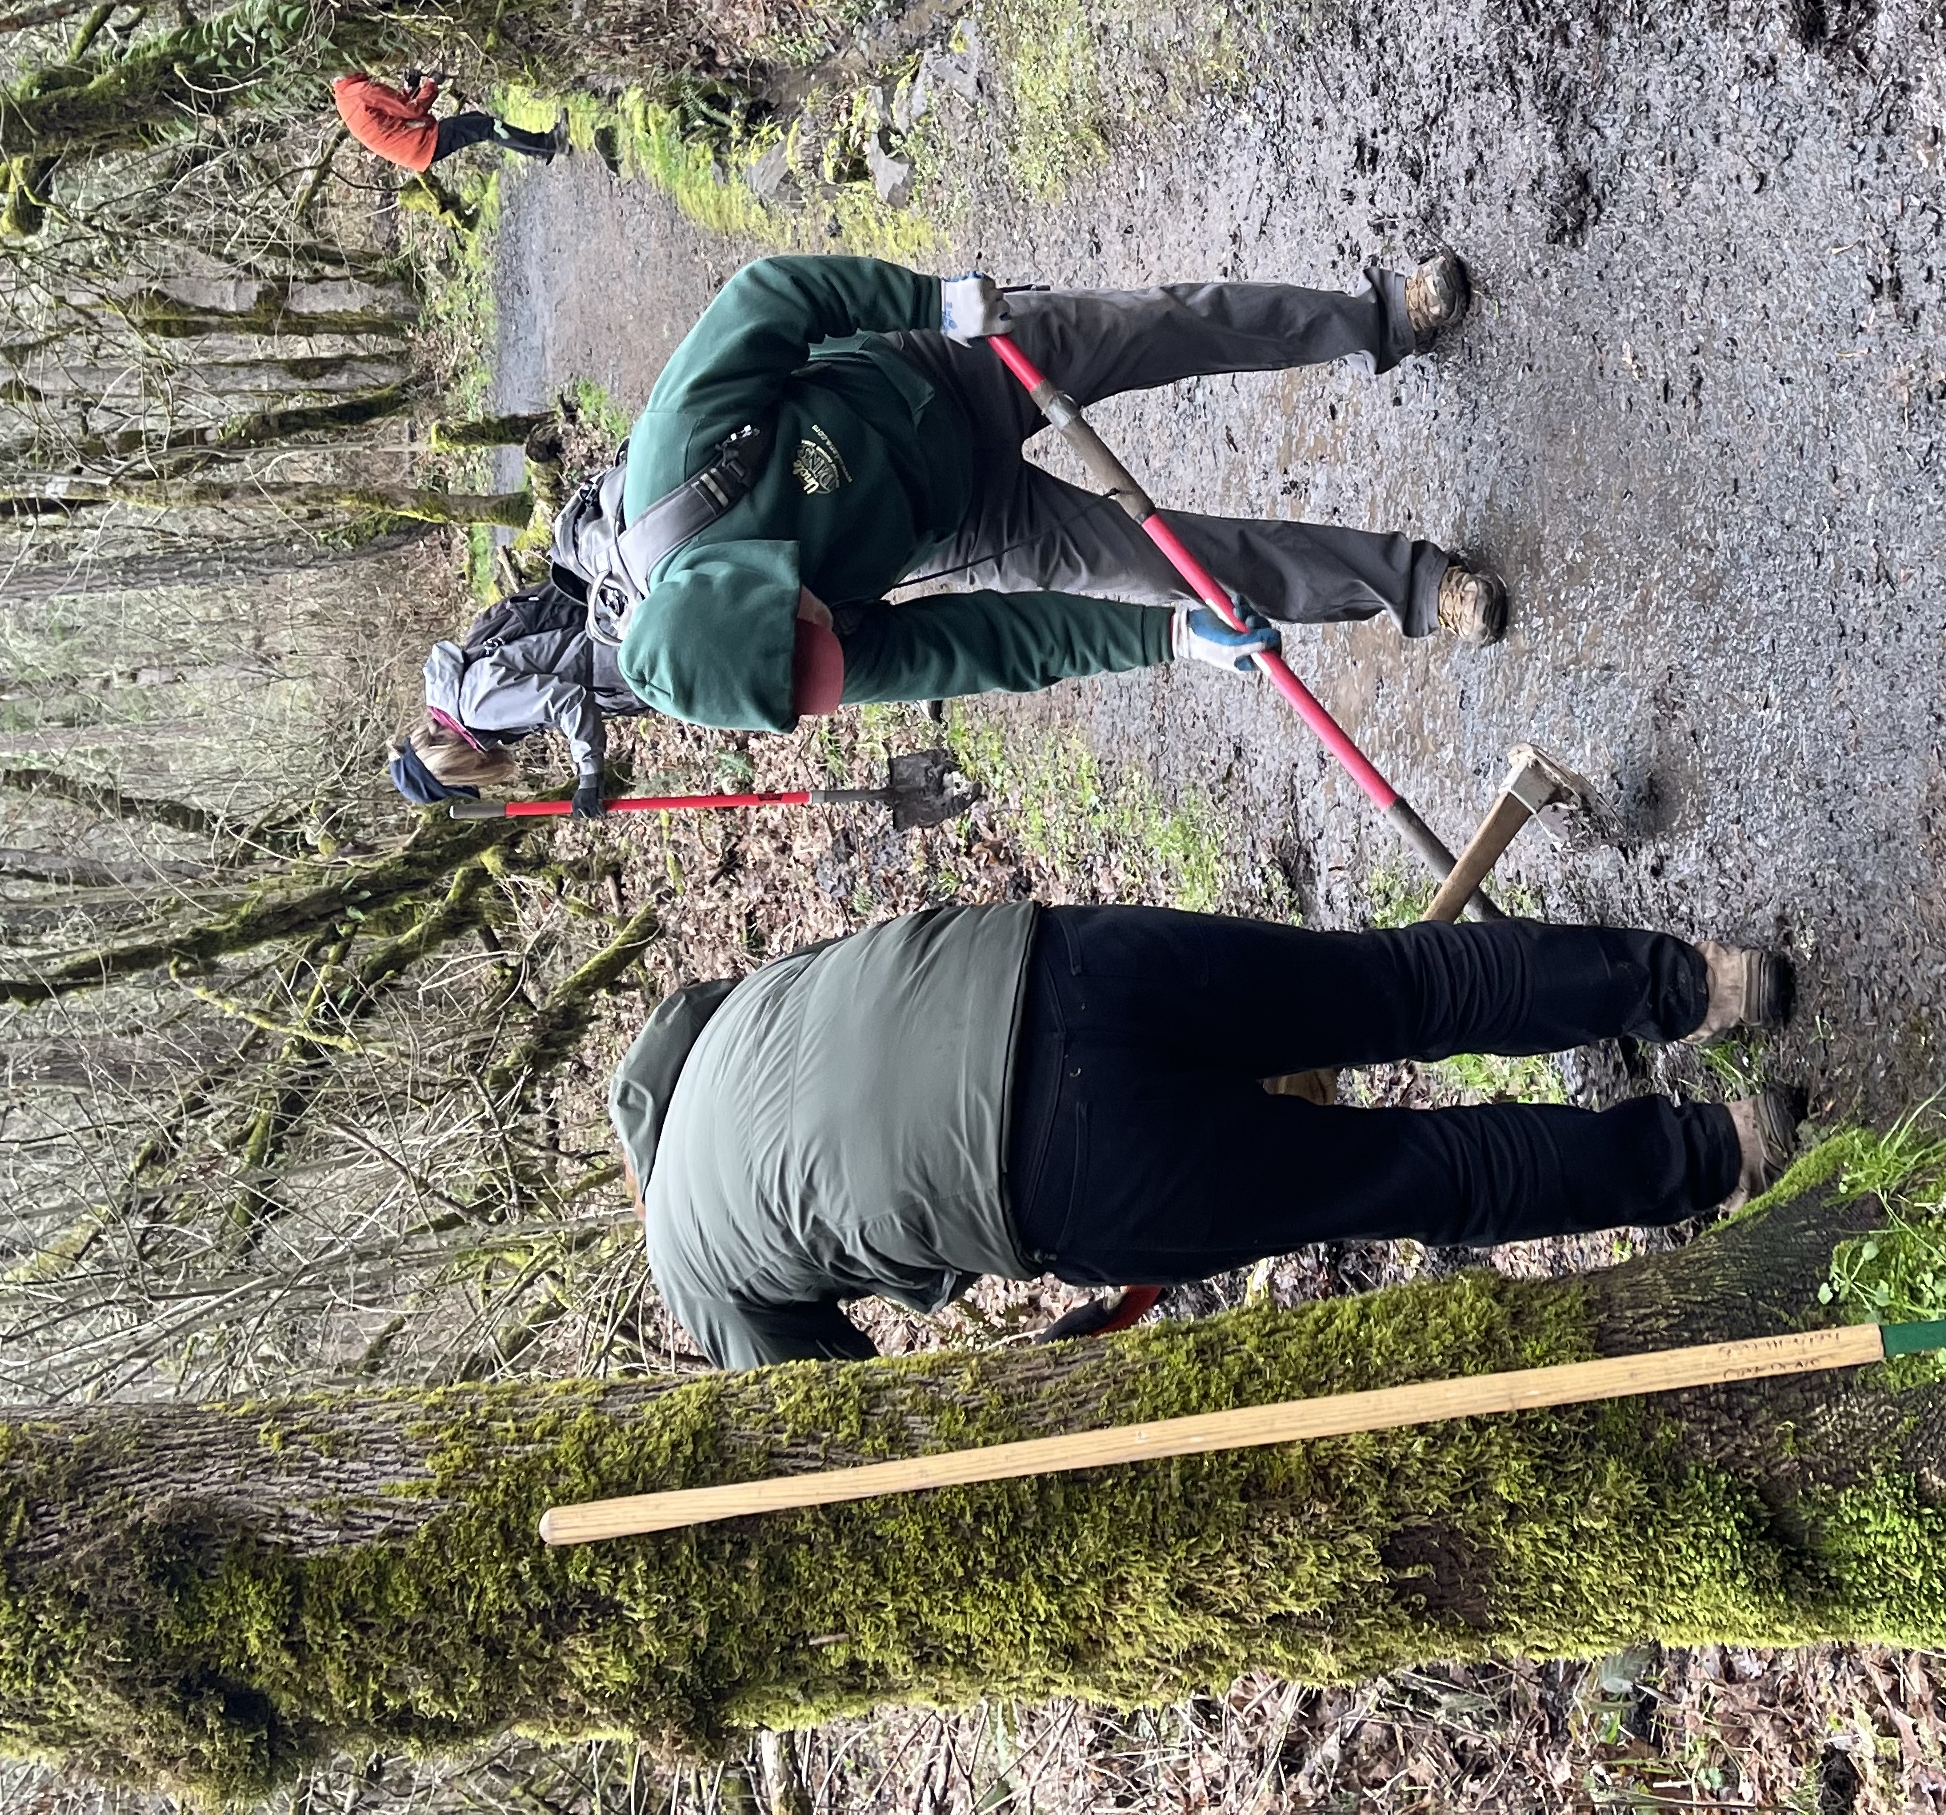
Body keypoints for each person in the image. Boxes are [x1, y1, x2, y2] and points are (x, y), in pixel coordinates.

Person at [408, 254, 1500, 785]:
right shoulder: (785, 673)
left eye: (817, 629)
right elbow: (983, 647)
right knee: (1195, 580)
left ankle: (1380, 317)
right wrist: (1169, 638)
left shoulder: (681, 458)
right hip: (962, 519)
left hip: (936, 371)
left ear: (764, 591)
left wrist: (927, 302)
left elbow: (769, 298)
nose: (838, 642)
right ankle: (1419, 585)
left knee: (1167, 329)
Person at [613, 899, 1803, 1367]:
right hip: (1062, 963)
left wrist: (1044, 1361)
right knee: (1401, 983)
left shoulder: (688, 1260)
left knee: (1414, 1174)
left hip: (1057, 1177)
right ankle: (1702, 982)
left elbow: (851, 1421)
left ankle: (1725, 1148)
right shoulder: (726, 1019)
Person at [331, 68, 557, 176]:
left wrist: (410, 87)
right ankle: (544, 147)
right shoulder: (362, 91)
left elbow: (393, 112)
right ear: (346, 71)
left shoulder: (345, 98)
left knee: (477, 123)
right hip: (420, 143)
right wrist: (431, 84)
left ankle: (539, 148)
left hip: (411, 151)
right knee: (485, 126)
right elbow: (413, 111)